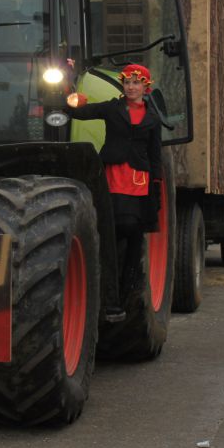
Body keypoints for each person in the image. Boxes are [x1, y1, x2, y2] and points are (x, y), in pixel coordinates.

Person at [67, 64, 163, 319]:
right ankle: (108, 294)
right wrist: (72, 96)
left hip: (139, 178)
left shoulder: (153, 118)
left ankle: (126, 291)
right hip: (112, 174)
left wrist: (156, 189)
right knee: (114, 227)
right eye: (128, 83)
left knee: (133, 230)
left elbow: (155, 156)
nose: (131, 87)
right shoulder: (112, 107)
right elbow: (79, 113)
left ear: (145, 86)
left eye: (136, 83)